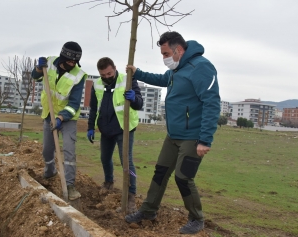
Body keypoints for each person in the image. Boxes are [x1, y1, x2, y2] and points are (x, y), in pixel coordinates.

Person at [124, 31, 220, 235]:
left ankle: (197, 218)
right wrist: (138, 72)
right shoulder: (177, 69)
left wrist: (205, 139)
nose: (164, 58)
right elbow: (162, 79)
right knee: (160, 172)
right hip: (173, 134)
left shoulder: (201, 67)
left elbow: (211, 103)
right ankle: (148, 211)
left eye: (165, 53)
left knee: (183, 177)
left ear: (179, 50)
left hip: (192, 136)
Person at [32, 41, 87, 201]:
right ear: (63, 57)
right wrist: (37, 68)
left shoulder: (79, 75)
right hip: (49, 113)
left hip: (67, 118)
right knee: (47, 150)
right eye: (70, 61)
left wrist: (61, 118)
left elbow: (74, 104)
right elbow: (35, 76)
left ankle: (69, 185)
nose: (72, 64)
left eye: (75, 62)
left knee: (69, 151)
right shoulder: (49, 63)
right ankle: (50, 170)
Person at [87, 57, 143, 213]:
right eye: (103, 74)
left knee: (127, 161)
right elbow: (93, 108)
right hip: (106, 129)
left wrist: (133, 98)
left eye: (109, 73)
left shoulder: (128, 80)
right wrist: (90, 127)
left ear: (115, 68)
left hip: (124, 128)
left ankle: (131, 197)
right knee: (105, 158)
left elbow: (139, 103)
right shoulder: (97, 84)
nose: (106, 77)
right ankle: (108, 182)